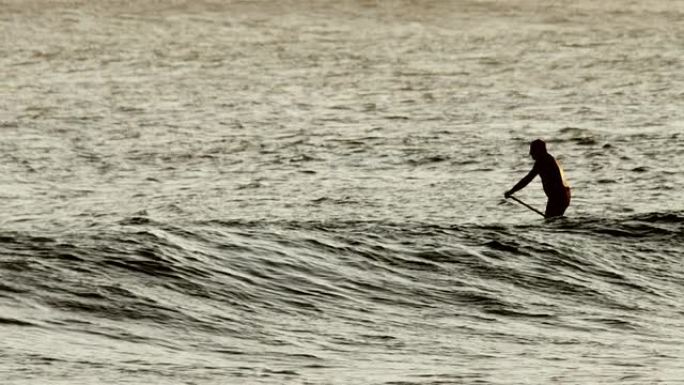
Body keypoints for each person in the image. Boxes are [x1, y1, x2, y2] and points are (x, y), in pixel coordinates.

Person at [504, 139, 571, 217]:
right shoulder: (549, 159)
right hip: (564, 195)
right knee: (552, 220)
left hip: (558, 197)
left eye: (532, 150)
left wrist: (511, 191)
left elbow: (527, 179)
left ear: (539, 151)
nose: (530, 153)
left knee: (550, 222)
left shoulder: (543, 161)